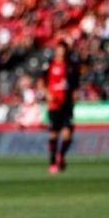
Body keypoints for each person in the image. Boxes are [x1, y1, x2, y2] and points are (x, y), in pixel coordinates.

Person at [45, 40, 79, 174]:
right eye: (59, 50)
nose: (61, 53)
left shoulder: (71, 66)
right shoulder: (49, 65)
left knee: (68, 134)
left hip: (67, 104)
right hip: (54, 105)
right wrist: (47, 93)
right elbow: (41, 82)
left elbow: (75, 84)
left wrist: (75, 94)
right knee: (54, 134)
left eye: (63, 50)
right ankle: (52, 161)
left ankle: (61, 155)